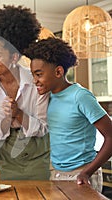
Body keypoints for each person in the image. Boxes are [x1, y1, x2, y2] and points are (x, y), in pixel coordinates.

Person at [24, 37, 112, 192]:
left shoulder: (80, 96)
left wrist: (87, 172)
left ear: (58, 72)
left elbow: (111, 136)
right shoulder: (47, 98)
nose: (34, 81)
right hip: (56, 173)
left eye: (38, 74)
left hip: (82, 174)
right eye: (33, 75)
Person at [0, 5, 50, 180]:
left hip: (38, 152)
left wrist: (19, 113)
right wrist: (7, 119)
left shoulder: (36, 82)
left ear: (14, 58)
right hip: (5, 152)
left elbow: (43, 127)